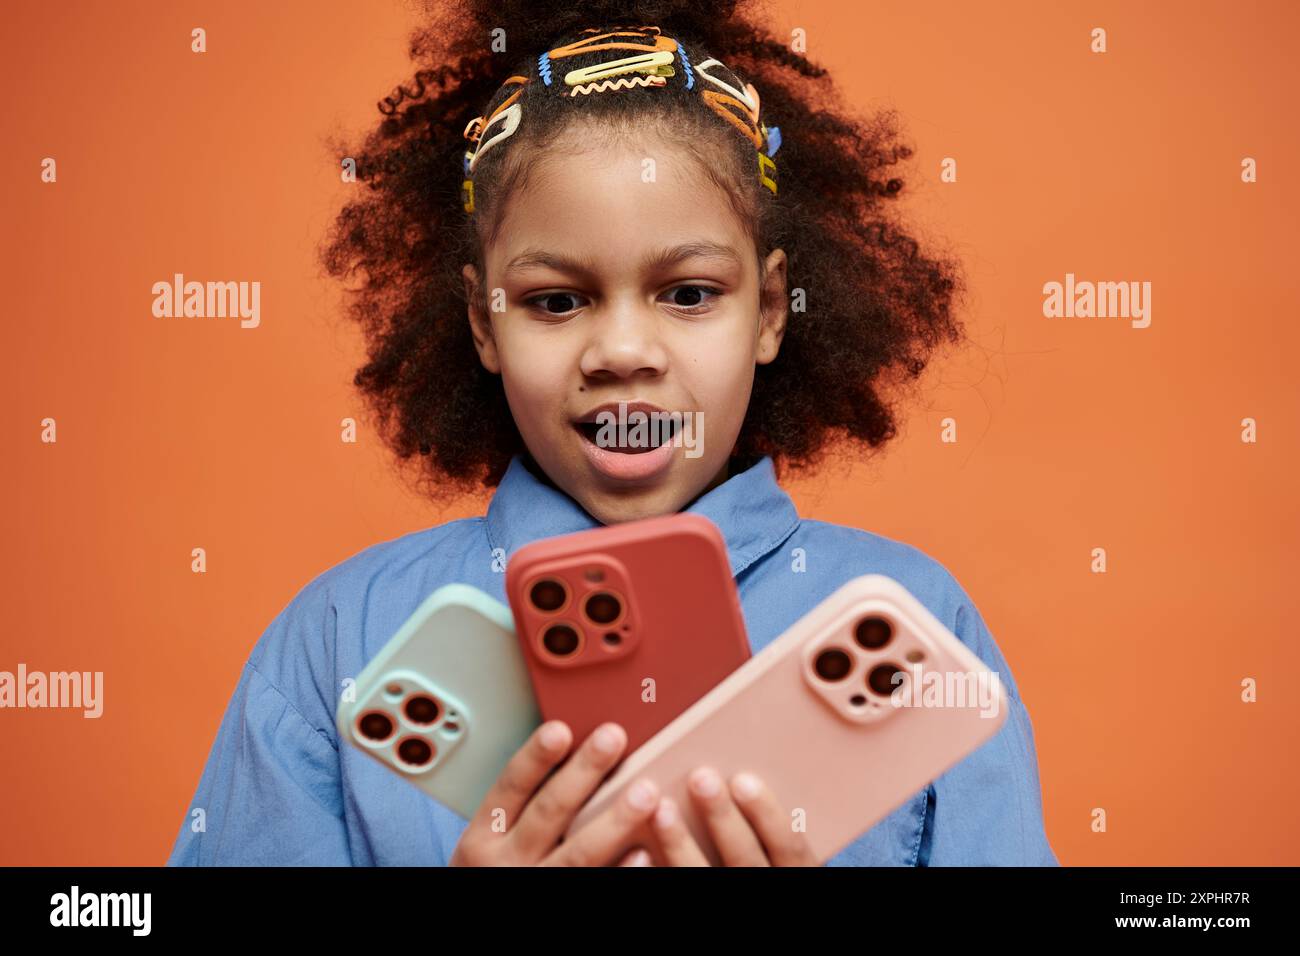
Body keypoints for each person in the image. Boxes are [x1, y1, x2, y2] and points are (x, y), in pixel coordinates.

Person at [167, 0, 1057, 866]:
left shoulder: (916, 626)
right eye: (557, 301)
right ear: (484, 323)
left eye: (689, 294)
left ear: (772, 309)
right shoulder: (338, 641)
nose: (623, 351)